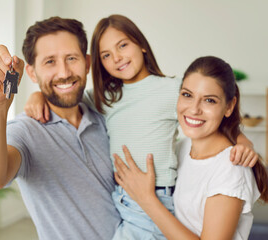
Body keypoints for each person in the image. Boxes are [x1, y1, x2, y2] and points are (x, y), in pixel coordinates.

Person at [24, 15, 259, 239]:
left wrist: (243, 142)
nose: (116, 58)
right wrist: (37, 96)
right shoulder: (106, 97)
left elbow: (208, 115)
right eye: (106, 55)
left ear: (142, 45)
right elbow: (66, 95)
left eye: (123, 45)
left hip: (154, 195)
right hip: (122, 197)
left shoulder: (172, 89)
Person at [0, 17, 121, 240]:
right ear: (32, 73)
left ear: (87, 63)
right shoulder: (25, 131)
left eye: (71, 58)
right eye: (50, 62)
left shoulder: (103, 112)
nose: (64, 72)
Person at [114, 56, 268, 239]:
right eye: (187, 95)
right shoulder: (181, 147)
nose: (194, 109)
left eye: (209, 100)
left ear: (229, 106)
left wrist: (147, 200)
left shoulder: (231, 168)